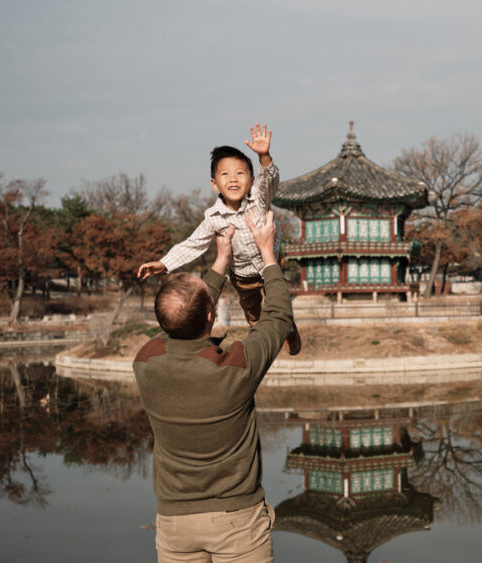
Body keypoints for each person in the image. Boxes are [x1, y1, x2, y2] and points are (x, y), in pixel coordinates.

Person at [134, 209, 291, 562]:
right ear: (210, 315)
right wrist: (267, 254)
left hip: (175, 523)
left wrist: (221, 260)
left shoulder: (146, 362)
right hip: (237, 521)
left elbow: (179, 319)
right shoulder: (235, 368)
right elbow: (278, 317)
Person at [138, 123, 301, 355]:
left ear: (251, 181)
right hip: (242, 275)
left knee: (279, 300)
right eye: (225, 174)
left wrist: (264, 157)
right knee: (252, 313)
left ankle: (288, 327)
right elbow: (193, 243)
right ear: (214, 183)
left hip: (270, 265)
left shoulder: (259, 199)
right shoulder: (213, 217)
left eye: (240, 173)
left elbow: (269, 182)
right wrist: (164, 263)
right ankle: (261, 339)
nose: (233, 179)